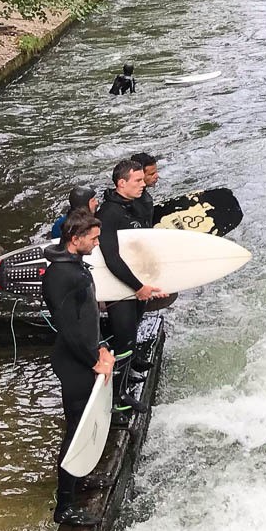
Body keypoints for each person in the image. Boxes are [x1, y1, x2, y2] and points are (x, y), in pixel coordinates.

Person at [42, 211, 115, 526]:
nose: (98, 244)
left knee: (82, 427)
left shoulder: (75, 267)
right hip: (74, 363)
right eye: (94, 238)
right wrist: (93, 360)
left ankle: (80, 478)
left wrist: (100, 347)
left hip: (85, 356)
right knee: (75, 432)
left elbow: (86, 320)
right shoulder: (61, 276)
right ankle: (65, 506)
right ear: (75, 239)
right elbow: (69, 330)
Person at [96, 159, 165, 425]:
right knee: (122, 343)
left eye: (142, 180)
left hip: (137, 283)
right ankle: (117, 402)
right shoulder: (109, 214)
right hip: (120, 287)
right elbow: (112, 258)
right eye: (137, 181)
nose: (142, 184)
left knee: (131, 334)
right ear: (120, 183)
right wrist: (138, 287)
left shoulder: (137, 203)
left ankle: (125, 382)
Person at [129, 152, 160, 223]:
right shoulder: (143, 202)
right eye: (151, 174)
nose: (157, 176)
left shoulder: (146, 198)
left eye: (156, 172)